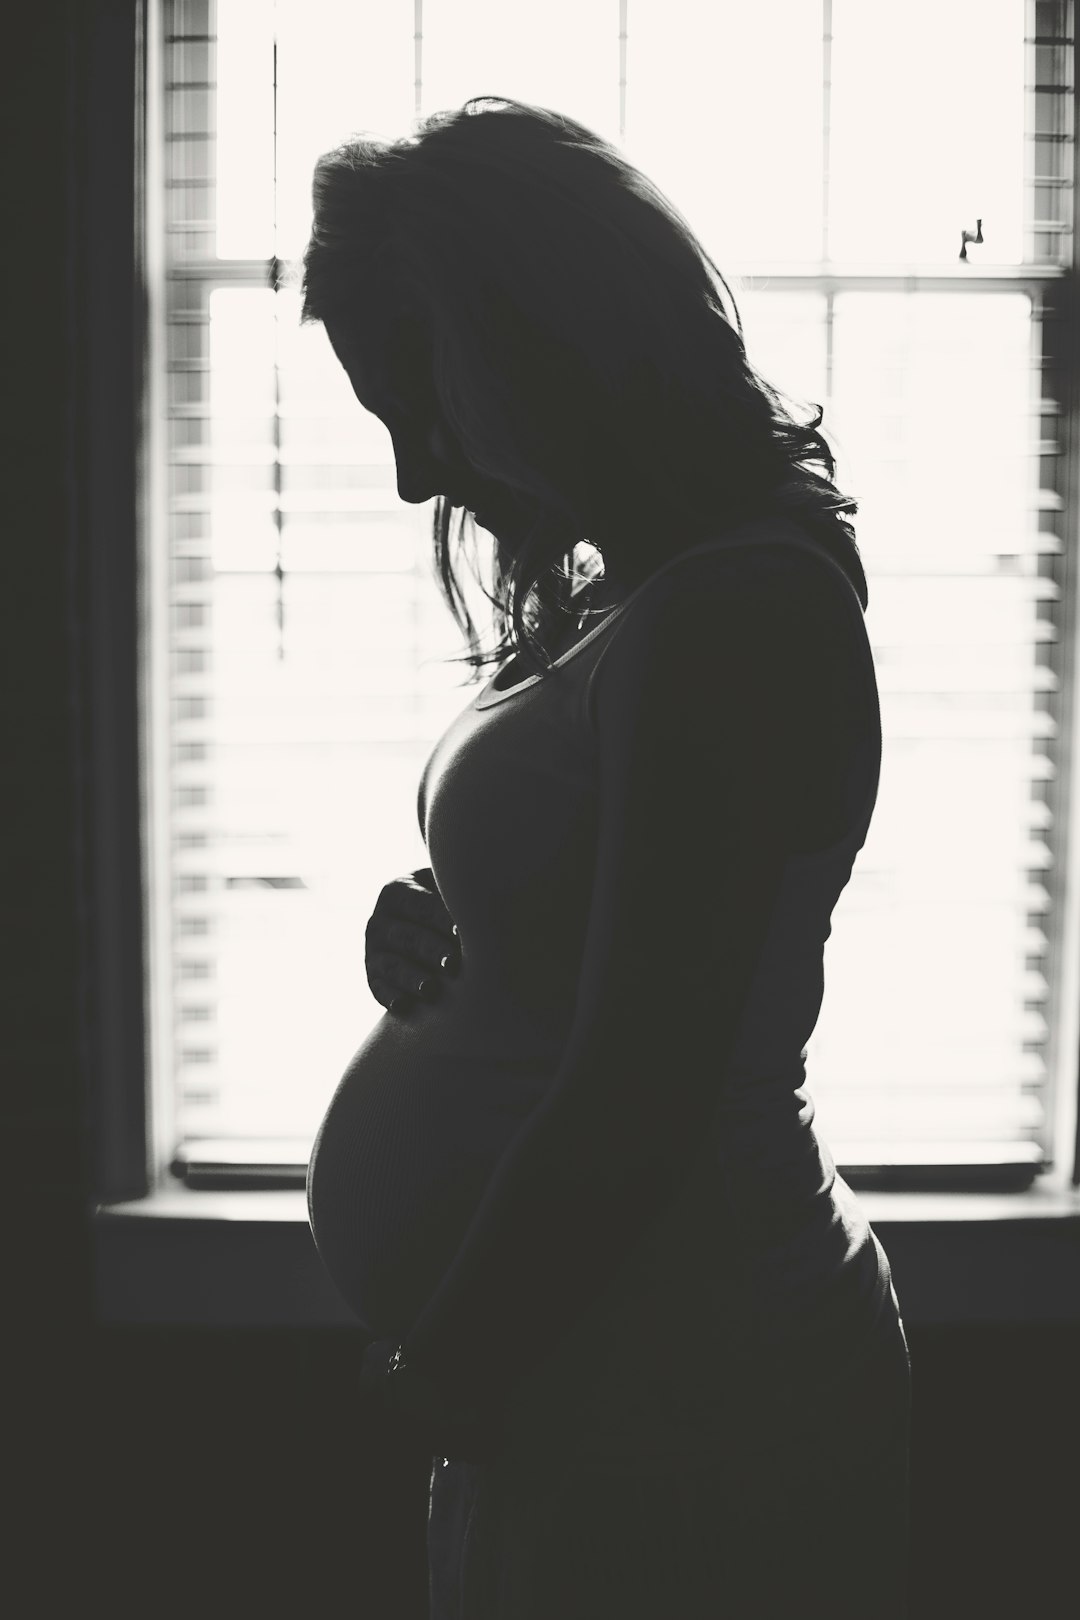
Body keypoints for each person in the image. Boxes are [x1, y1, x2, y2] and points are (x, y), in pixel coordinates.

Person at [301, 96, 911, 1619]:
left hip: (693, 1390)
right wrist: (463, 934)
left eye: (418, 411)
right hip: (600, 1366)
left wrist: (433, 1386)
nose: (412, 476)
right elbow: (620, 934)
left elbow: (641, 1094)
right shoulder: (645, 585)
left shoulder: (736, 612)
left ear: (535, 342)